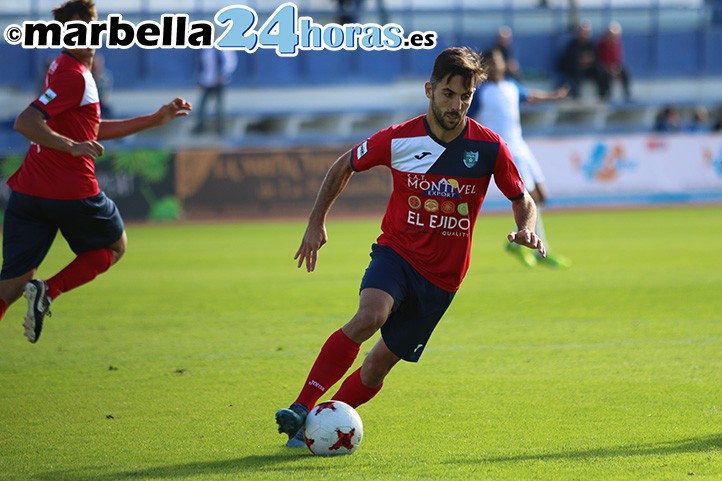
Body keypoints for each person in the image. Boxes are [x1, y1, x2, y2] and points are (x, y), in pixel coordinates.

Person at [274, 47, 546, 447]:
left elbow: (523, 198)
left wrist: (526, 227)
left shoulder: (489, 148)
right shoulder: (399, 139)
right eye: (448, 94)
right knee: (371, 315)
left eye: (465, 96)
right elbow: (343, 165)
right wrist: (316, 222)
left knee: (376, 368)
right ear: (429, 90)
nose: (457, 105)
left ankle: (314, 428)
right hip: (396, 255)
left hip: (442, 280)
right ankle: (301, 406)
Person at [0, 0, 192, 343]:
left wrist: (153, 119)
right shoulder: (75, 76)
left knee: (12, 284)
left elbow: (89, 128)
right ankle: (48, 290)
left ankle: (38, 290)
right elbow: (26, 121)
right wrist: (71, 147)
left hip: (28, 191)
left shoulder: (62, 66)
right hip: (72, 191)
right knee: (115, 246)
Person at [471, 49, 570, 269]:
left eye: (498, 61)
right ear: (484, 67)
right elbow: (467, 116)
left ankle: (521, 241)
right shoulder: (481, 93)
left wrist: (555, 96)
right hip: (506, 151)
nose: (495, 66)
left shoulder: (511, 87)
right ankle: (539, 249)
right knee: (529, 196)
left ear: (504, 64)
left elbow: (531, 96)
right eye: (490, 62)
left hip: (521, 146)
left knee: (541, 195)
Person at [192, 47, 237, 135]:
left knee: (219, 107)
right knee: (202, 106)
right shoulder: (204, 50)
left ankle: (221, 130)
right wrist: (199, 81)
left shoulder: (222, 49)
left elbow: (230, 63)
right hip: (207, 82)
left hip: (219, 82)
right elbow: (201, 66)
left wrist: (222, 75)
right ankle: (200, 129)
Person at [557, 20, 606, 100]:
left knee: (600, 71)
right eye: (582, 32)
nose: (584, 34)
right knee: (575, 73)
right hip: (574, 70)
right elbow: (569, 61)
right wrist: (581, 60)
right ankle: (575, 96)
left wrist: (588, 61)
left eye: (586, 32)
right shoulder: (572, 45)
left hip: (588, 69)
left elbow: (595, 59)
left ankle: (603, 96)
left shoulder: (591, 45)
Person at [596, 21, 632, 102]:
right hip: (603, 67)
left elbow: (617, 60)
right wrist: (610, 68)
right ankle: (607, 95)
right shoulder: (601, 45)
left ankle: (627, 94)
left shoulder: (616, 45)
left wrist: (616, 69)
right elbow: (601, 59)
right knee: (604, 73)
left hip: (613, 67)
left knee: (625, 72)